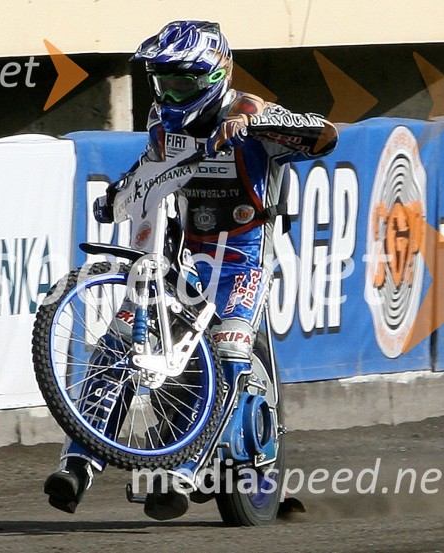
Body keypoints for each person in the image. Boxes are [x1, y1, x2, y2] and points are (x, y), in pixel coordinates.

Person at [44, 20, 338, 520]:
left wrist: (259, 125)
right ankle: (77, 461)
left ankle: (186, 470)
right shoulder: (164, 125)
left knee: (229, 347)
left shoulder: (250, 114)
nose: (171, 92)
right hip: (185, 264)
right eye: (164, 81)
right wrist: (116, 196)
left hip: (243, 262)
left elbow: (323, 134)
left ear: (215, 75)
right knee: (117, 344)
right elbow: (148, 171)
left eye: (183, 81)